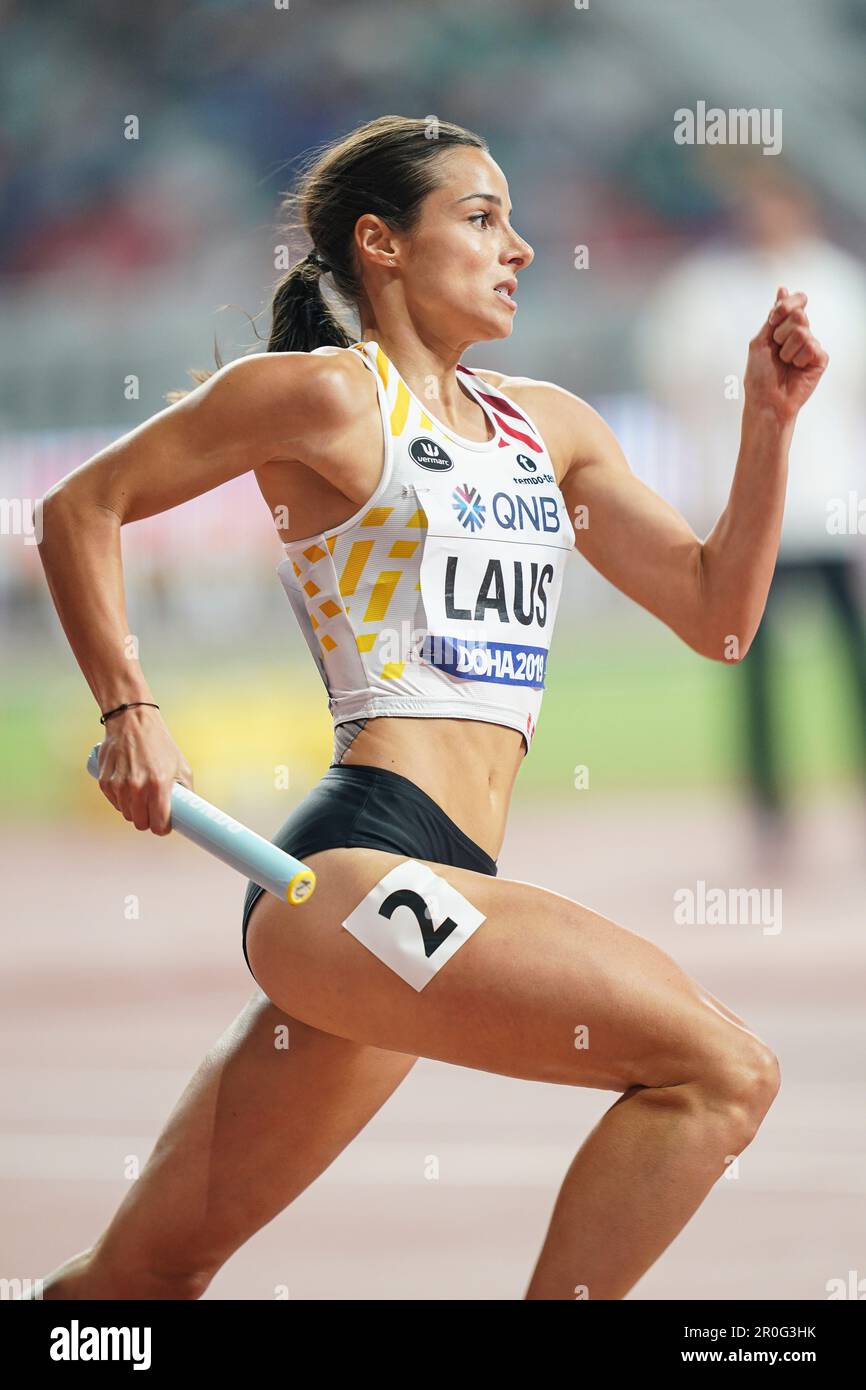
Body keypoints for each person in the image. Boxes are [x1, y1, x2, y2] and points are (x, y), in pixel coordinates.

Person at [33, 115, 827, 1301]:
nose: (519, 246)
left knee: (134, 1286)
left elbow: (718, 615)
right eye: (480, 217)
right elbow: (78, 508)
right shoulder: (322, 399)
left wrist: (766, 425)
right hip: (354, 870)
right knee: (721, 1070)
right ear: (381, 244)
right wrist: (126, 707)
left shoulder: (544, 429)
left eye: (513, 218)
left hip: (436, 890)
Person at [636, 163, 866, 855]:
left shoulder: (839, 282)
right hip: (748, 508)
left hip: (827, 503)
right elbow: (671, 381)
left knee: (852, 659)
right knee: (751, 664)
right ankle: (770, 812)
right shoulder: (702, 292)